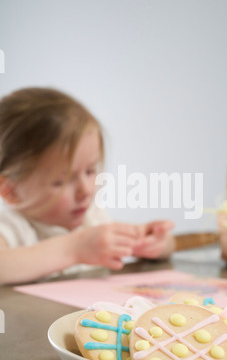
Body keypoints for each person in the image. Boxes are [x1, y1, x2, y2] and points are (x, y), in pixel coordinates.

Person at [0, 87, 175, 284]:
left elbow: (160, 247)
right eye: (62, 181)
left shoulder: (93, 218)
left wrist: (156, 245)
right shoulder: (10, 228)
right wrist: (74, 249)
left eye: (90, 171)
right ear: (10, 190)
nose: (86, 190)